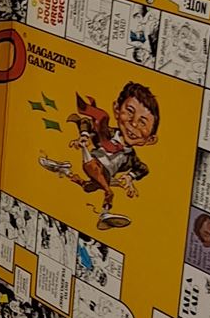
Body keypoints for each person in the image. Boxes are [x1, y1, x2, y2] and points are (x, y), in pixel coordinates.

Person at [39, 82, 163, 231]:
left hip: (106, 175)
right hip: (93, 163)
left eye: (143, 123)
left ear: (150, 139)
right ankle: (105, 213)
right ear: (117, 110)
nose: (134, 124)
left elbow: (143, 169)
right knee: (106, 189)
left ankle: (65, 170)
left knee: (87, 187)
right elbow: (86, 121)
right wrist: (84, 135)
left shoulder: (131, 157)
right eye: (130, 112)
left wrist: (130, 177)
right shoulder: (107, 133)